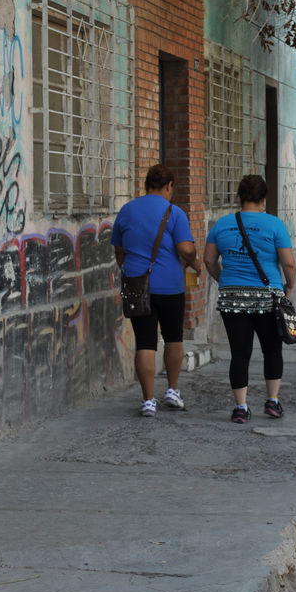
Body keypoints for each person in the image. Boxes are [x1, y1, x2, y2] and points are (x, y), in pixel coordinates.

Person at [203, 174, 296, 424]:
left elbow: (209, 260)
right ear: (264, 198)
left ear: (239, 196)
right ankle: (272, 401)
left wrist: (225, 280)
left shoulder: (222, 224)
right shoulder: (274, 224)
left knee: (240, 353)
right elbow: (288, 263)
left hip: (232, 299)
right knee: (272, 350)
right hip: (268, 298)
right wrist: (289, 286)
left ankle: (241, 408)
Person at [112, 164, 202, 417]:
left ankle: (148, 401)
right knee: (173, 337)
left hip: (137, 285)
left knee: (145, 341)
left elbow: (119, 251)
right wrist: (195, 262)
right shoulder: (174, 212)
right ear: (169, 186)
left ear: (146, 184)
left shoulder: (127, 210)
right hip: (170, 286)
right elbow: (185, 248)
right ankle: (172, 391)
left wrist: (131, 270)